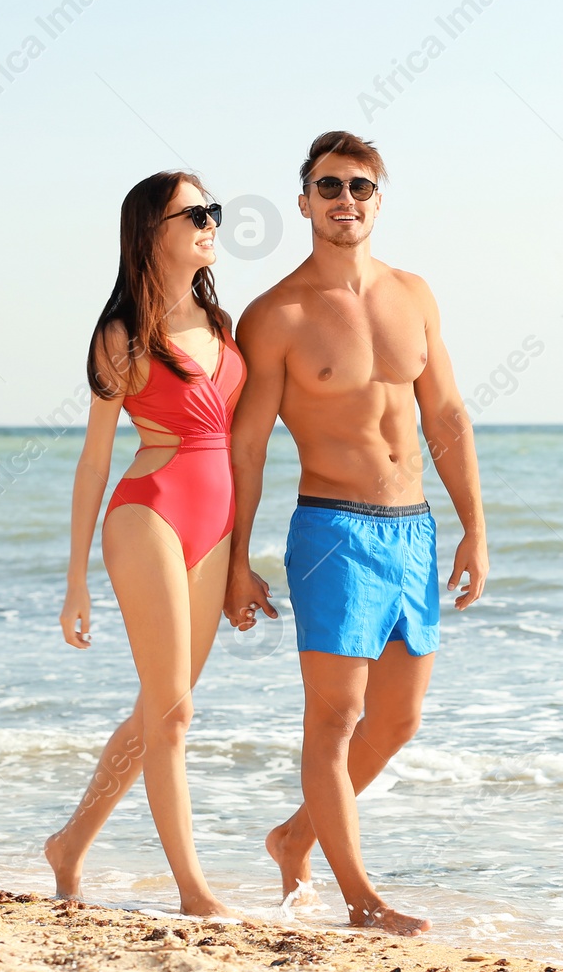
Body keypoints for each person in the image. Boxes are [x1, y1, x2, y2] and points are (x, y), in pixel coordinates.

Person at [225, 131, 489, 936]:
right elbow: (248, 443)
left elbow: (444, 415)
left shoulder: (413, 294)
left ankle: (293, 836)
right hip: (333, 530)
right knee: (334, 719)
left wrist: (474, 527)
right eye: (330, 187)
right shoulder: (275, 315)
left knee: (399, 719)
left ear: (379, 200)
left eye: (361, 188)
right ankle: (361, 899)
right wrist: (237, 559)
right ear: (304, 201)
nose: (346, 201)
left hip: (414, 531)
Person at [44, 170, 245, 918]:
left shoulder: (224, 327)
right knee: (175, 714)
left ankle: (69, 844)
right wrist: (75, 579)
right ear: (150, 232)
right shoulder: (123, 333)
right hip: (147, 516)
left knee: (160, 709)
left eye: (212, 210)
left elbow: (245, 442)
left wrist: (246, 554)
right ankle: (194, 891)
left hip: (214, 528)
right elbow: (95, 458)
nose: (209, 222)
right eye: (192, 212)